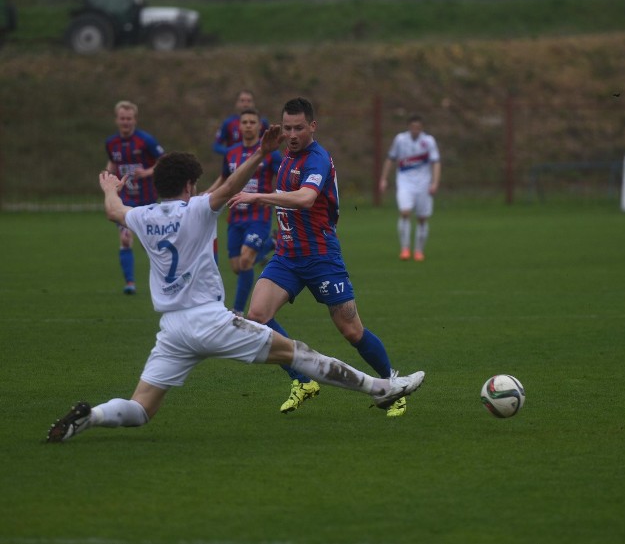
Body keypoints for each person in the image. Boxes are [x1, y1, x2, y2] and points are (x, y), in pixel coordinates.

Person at [46, 130, 424, 444]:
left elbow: (114, 210)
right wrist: (261, 154)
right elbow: (229, 187)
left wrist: (110, 187)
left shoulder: (142, 216)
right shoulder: (196, 208)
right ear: (190, 184)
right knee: (299, 353)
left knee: (142, 409)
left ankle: (92, 415)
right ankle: (382, 388)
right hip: (211, 321)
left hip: (172, 332)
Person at [229, 97, 411, 417]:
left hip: (321, 256)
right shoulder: (285, 158)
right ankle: (302, 380)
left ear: (312, 126)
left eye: (299, 127)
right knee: (257, 314)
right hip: (287, 256)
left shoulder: (317, 159)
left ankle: (392, 386)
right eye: (287, 128)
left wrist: (260, 197)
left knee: (352, 331)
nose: (293, 134)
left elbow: (305, 198)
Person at [204, 108, 279, 316]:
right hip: (235, 215)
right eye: (244, 122)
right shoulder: (231, 152)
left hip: (259, 216)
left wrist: (273, 195)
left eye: (252, 122)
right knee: (238, 267)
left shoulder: (270, 152)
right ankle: (272, 243)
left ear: (259, 126)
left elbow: (284, 177)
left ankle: (237, 312)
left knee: (246, 260)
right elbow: (224, 179)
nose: (248, 125)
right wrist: (207, 194)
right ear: (239, 126)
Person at [105, 100, 165, 295]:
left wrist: (147, 172)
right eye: (122, 118)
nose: (126, 122)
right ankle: (130, 282)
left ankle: (164, 279)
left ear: (135, 120)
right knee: (125, 237)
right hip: (125, 200)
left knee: (149, 243)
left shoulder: (145, 140)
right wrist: (108, 179)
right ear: (117, 120)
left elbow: (164, 161)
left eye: (129, 119)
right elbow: (113, 163)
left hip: (147, 200)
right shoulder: (111, 143)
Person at [379, 114, 442, 261]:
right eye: (413, 127)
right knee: (405, 212)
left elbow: (436, 162)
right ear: (408, 127)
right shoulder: (400, 140)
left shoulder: (428, 141)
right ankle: (405, 249)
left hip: (423, 183)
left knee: (422, 218)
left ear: (422, 128)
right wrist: (383, 179)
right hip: (405, 182)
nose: (415, 130)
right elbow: (390, 158)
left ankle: (419, 251)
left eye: (418, 128)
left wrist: (435, 183)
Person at [212, 89, 270, 156]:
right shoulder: (229, 122)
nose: (245, 104)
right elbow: (216, 145)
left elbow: (268, 142)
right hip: (235, 162)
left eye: (249, 101)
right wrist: (230, 152)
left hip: (256, 159)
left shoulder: (262, 122)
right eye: (242, 101)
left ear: (253, 103)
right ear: (237, 103)